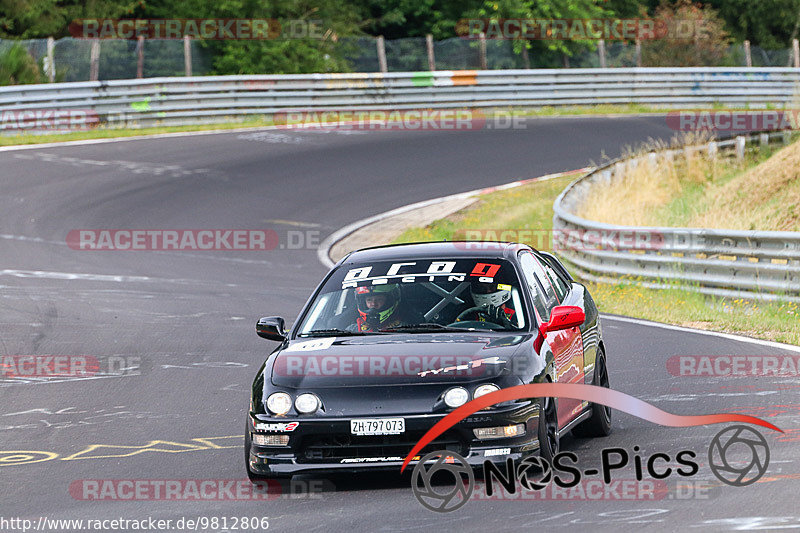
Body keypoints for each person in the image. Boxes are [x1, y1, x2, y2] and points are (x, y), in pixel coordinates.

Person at [352, 284, 419, 332]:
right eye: (369, 300)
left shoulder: (404, 328)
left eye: (379, 299)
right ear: (363, 302)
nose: (373, 304)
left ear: (388, 301)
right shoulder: (353, 330)